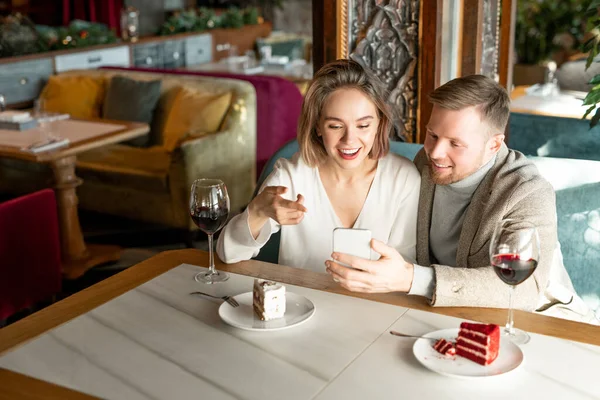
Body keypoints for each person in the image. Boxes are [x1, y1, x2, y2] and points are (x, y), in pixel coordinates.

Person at [326, 74, 595, 322]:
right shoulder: (424, 163)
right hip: (452, 316)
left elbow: (523, 290)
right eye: (432, 135)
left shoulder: (527, 190)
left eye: (455, 143)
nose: (435, 152)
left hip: (540, 320)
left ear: (494, 144)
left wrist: (411, 279)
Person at [217, 59, 420, 272]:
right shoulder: (291, 176)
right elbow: (228, 254)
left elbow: (406, 266)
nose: (349, 139)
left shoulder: (404, 178)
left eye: (363, 125)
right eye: (335, 126)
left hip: (377, 303)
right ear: (317, 127)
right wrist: (257, 211)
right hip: (300, 303)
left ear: (380, 123)